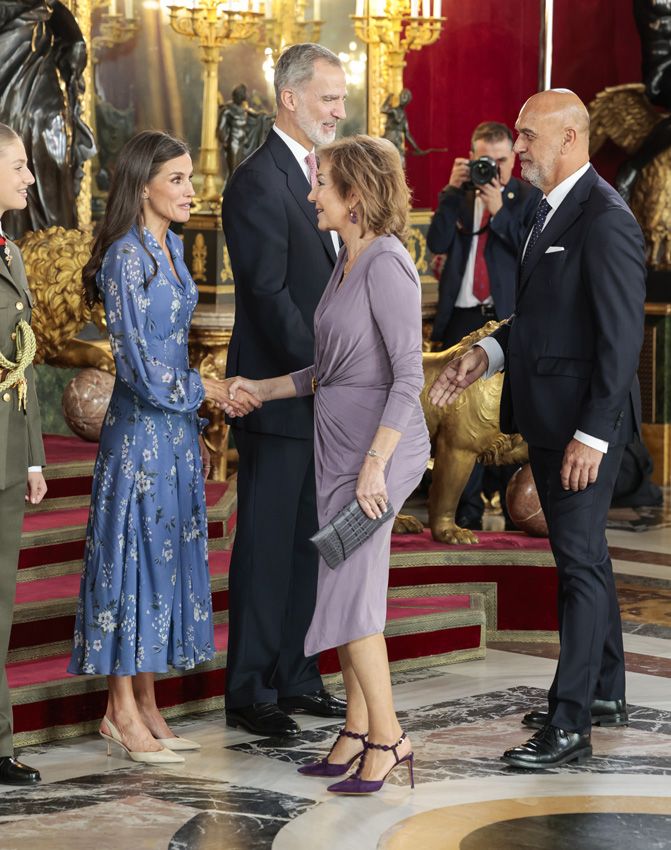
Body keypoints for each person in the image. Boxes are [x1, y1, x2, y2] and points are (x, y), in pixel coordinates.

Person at [429, 90, 646, 769]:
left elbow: (619, 341)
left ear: (570, 137)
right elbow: (544, 317)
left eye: (526, 135)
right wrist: (484, 354)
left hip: (581, 429)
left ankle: (570, 721)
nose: (516, 148)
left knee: (577, 565)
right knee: (584, 558)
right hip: (549, 422)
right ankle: (603, 691)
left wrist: (592, 437)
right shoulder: (552, 209)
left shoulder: (604, 218)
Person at [228, 135, 430, 795]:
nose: (312, 194)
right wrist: (264, 388)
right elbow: (329, 370)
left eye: (322, 184)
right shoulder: (346, 261)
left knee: (351, 599)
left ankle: (388, 738)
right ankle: (352, 729)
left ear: (354, 195)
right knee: (343, 589)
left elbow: (407, 379)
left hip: (380, 457)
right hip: (339, 448)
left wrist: (375, 465)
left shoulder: (388, 265)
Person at [68, 131, 257, 763]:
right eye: (176, 179)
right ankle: (119, 709)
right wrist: (211, 391)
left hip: (175, 434)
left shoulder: (175, 247)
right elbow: (141, 371)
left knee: (165, 562)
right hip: (138, 437)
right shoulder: (124, 256)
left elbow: (174, 353)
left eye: (188, 178)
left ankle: (148, 703)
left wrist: (199, 424)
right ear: (142, 184)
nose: (189, 189)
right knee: (131, 565)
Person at [221, 43, 348, 738]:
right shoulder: (256, 179)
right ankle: (249, 688)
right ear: (290, 98)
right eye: (328, 97)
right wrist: (325, 367)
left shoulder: (324, 172)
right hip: (278, 397)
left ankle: (297, 674)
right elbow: (269, 295)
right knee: (266, 547)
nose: (338, 110)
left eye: (340, 98)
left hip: (322, 399)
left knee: (311, 545)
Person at [427, 121, 540, 531]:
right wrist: (449, 193)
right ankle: (464, 515)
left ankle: (513, 511)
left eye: (500, 161)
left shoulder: (528, 198)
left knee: (500, 418)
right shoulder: (458, 196)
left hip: (504, 320)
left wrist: (499, 211)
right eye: (482, 161)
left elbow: (531, 252)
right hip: (461, 319)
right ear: (471, 158)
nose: (491, 170)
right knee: (459, 424)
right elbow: (436, 242)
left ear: (514, 158)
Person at [0, 123, 48, 785]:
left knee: (0, 604)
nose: (30, 177)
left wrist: (34, 456)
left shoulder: (9, 249)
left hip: (7, 455)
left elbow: (24, 359)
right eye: (18, 164)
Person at [0, 0, 96, 237]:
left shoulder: (47, 15)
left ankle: (49, 236)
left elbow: (71, 37)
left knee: (50, 160)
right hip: (16, 70)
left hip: (43, 89)